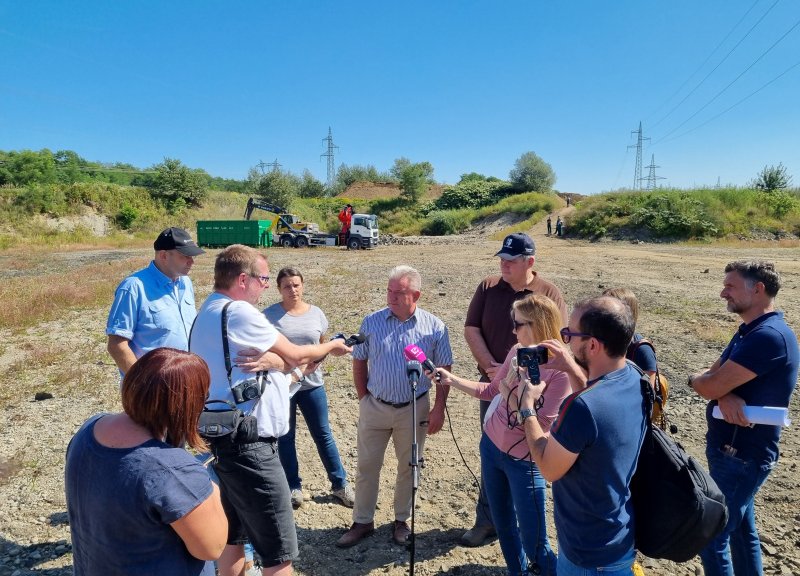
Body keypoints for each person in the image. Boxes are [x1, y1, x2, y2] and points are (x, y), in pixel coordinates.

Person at [189, 244, 352, 576]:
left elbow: (276, 363)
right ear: (243, 279)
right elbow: (296, 354)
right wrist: (333, 345)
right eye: (263, 279)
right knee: (279, 554)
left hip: (223, 439)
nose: (266, 286)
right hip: (252, 446)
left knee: (233, 539)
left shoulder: (207, 310)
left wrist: (281, 364)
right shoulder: (240, 311)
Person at [432, 294, 568, 576]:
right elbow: (491, 390)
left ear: (537, 325)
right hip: (492, 448)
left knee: (535, 543)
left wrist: (513, 396)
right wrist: (451, 379)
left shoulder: (560, 371)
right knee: (505, 527)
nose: (513, 331)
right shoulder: (518, 351)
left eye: (518, 324)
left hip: (525, 462)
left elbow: (542, 423)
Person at [65, 348, 228, 575]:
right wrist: (209, 486)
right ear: (186, 404)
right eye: (204, 396)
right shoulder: (174, 472)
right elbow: (212, 548)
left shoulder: (90, 428)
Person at [519, 296, 648, 575]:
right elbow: (595, 409)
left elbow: (548, 467)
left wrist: (527, 408)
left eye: (569, 334)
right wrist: (570, 366)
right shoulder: (635, 377)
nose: (565, 340)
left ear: (592, 345)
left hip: (587, 554)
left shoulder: (581, 408)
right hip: (618, 536)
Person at [689, 261, 798, 576]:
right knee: (741, 532)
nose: (723, 293)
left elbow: (710, 383)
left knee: (711, 536)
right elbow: (711, 378)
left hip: (740, 457)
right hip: (734, 454)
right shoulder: (750, 331)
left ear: (758, 289)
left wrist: (711, 387)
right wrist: (718, 391)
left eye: (730, 286)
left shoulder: (768, 337)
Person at [461, 232, 567, 547]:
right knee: (493, 451)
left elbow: (557, 343)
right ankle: (488, 521)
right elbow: (471, 328)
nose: (503, 265)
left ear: (529, 261)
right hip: (494, 385)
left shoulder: (549, 293)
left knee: (527, 459)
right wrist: (493, 367)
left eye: (510, 260)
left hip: (537, 398)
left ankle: (527, 532)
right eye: (502, 259)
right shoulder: (488, 287)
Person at [336, 265, 453, 548]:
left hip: (414, 408)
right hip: (375, 407)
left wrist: (438, 409)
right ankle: (362, 521)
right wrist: (364, 397)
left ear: (416, 295)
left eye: (398, 293)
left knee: (410, 465)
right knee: (367, 466)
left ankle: (402, 520)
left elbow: (444, 369)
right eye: (389, 291)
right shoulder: (371, 322)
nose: (391, 297)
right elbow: (359, 360)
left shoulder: (435, 327)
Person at [264, 266, 355, 510]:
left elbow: (321, 345)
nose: (292, 290)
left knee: (323, 434)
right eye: (287, 286)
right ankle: (293, 487)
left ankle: (340, 484)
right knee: (285, 437)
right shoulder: (269, 316)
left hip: (313, 385)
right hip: (283, 387)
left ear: (302, 286)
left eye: (296, 285)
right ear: (279, 289)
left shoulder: (317, 314)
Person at [106, 227, 204, 375]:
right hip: (152, 383)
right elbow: (117, 345)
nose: (192, 262)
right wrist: (142, 381)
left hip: (186, 377)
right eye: (185, 256)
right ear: (164, 255)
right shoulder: (133, 287)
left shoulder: (185, 282)